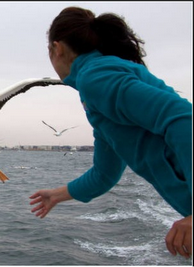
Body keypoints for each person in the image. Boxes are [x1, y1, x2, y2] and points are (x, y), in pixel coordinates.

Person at [29, 7, 192, 259]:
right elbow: (104, 174)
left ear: (57, 48)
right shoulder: (96, 87)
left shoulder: (95, 78)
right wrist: (57, 195)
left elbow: (183, 119)